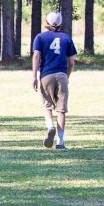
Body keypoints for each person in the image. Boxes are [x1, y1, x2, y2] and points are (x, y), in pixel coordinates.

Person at [31, 11, 77, 150]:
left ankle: (50, 126)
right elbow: (71, 62)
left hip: (46, 74)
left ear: (47, 23)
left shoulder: (40, 37)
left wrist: (34, 76)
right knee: (61, 109)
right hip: (61, 74)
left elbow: (37, 56)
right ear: (60, 24)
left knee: (47, 105)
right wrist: (67, 76)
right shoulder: (66, 38)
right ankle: (60, 142)